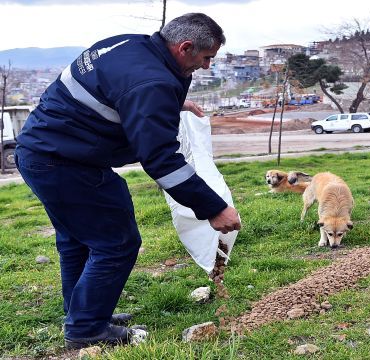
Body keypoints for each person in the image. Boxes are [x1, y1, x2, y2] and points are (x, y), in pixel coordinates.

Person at [15, 13, 241, 349]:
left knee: (79, 240)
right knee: (116, 244)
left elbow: (120, 89)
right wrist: (214, 208)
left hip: (47, 151)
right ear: (185, 47)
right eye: (206, 58)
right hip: (65, 163)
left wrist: (171, 102)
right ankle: (87, 329)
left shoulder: (130, 45)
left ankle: (84, 313)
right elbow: (162, 160)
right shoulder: (151, 83)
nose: (207, 67)